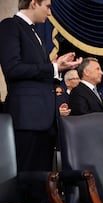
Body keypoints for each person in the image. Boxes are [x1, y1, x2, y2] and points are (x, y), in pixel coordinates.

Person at [0, 0, 82, 172]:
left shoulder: (36, 33)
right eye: (48, 6)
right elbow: (13, 68)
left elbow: (37, 72)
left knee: (44, 182)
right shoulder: (10, 26)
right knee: (27, 179)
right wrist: (53, 67)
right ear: (33, 3)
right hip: (27, 118)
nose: (50, 13)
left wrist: (57, 65)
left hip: (44, 119)